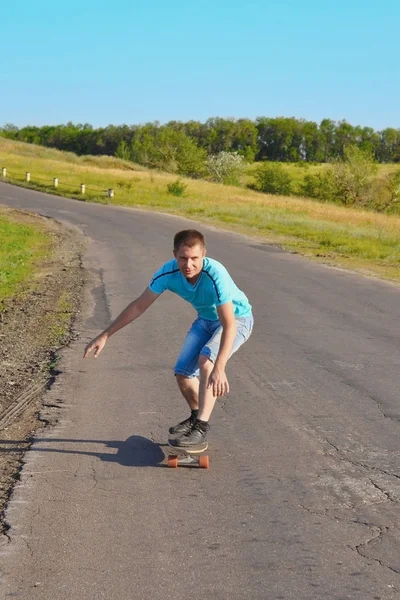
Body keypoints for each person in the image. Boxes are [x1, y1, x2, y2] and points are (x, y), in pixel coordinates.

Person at [83, 229, 253, 446]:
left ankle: (201, 427)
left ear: (204, 255)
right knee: (183, 374)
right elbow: (138, 306)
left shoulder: (215, 274)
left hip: (237, 320)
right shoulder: (167, 273)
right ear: (175, 255)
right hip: (206, 319)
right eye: (183, 258)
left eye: (194, 258)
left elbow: (228, 323)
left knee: (206, 361)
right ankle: (195, 417)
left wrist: (220, 366)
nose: (188, 265)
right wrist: (105, 335)